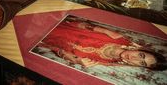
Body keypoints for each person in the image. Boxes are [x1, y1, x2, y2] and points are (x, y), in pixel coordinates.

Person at [34, 15, 167, 70]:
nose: (134, 58)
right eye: (141, 55)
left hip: (37, 37)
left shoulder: (105, 63)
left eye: (141, 63)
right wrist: (103, 30)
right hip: (52, 21)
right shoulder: (118, 38)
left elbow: (55, 49)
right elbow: (77, 24)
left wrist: (74, 59)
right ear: (140, 49)